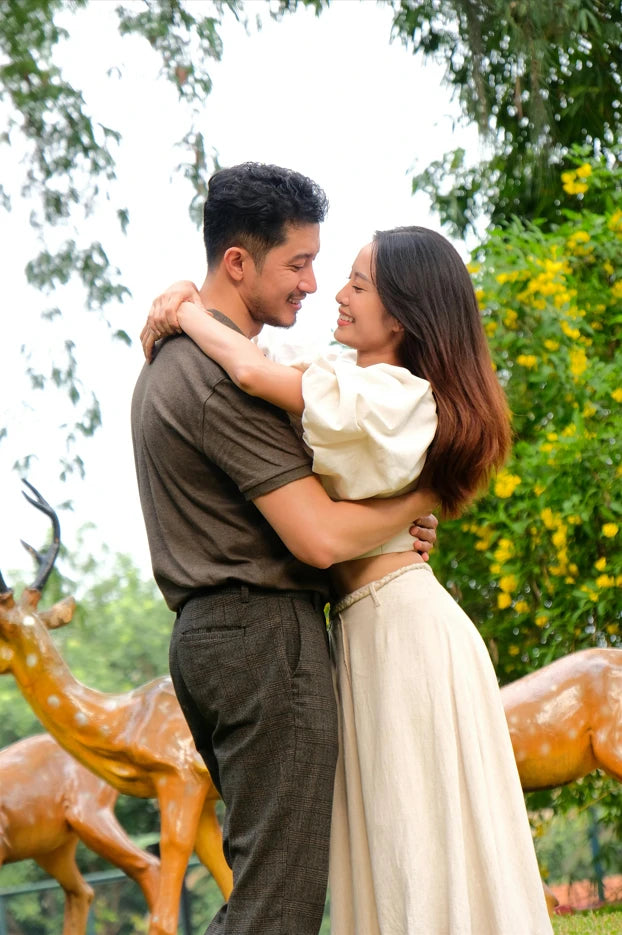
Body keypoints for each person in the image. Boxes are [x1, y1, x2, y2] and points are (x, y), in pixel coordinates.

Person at [142, 225, 554, 935]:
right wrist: (186, 296)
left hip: (402, 629)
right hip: (365, 624)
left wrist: (182, 310)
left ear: (401, 313)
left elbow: (248, 372)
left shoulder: (389, 393)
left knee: (418, 835)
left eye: (358, 282)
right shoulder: (352, 384)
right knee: (395, 838)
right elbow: (257, 360)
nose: (335, 290)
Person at [131, 163, 438, 935]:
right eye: (297, 262)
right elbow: (318, 534)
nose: (313, 283)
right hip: (263, 637)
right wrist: (420, 500)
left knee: (268, 884)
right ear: (238, 262)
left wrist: (391, 526)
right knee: (279, 905)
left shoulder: (174, 362)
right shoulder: (219, 375)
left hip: (218, 637)